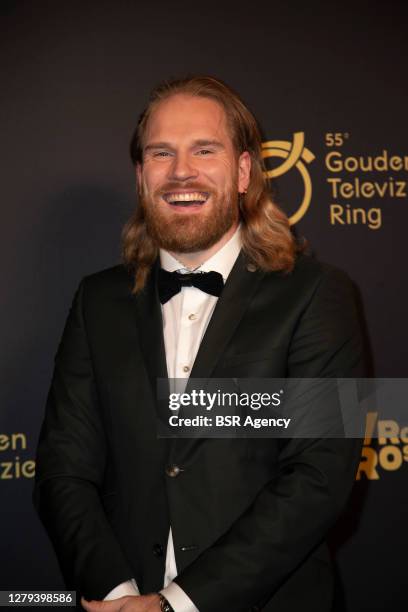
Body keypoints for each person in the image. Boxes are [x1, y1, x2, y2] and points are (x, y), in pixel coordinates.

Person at [34, 75, 364, 612]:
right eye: (161, 153)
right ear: (141, 176)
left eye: (204, 150)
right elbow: (62, 469)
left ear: (243, 172)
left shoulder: (321, 294)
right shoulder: (97, 301)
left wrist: (176, 604)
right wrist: (120, 597)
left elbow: (320, 475)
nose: (181, 171)